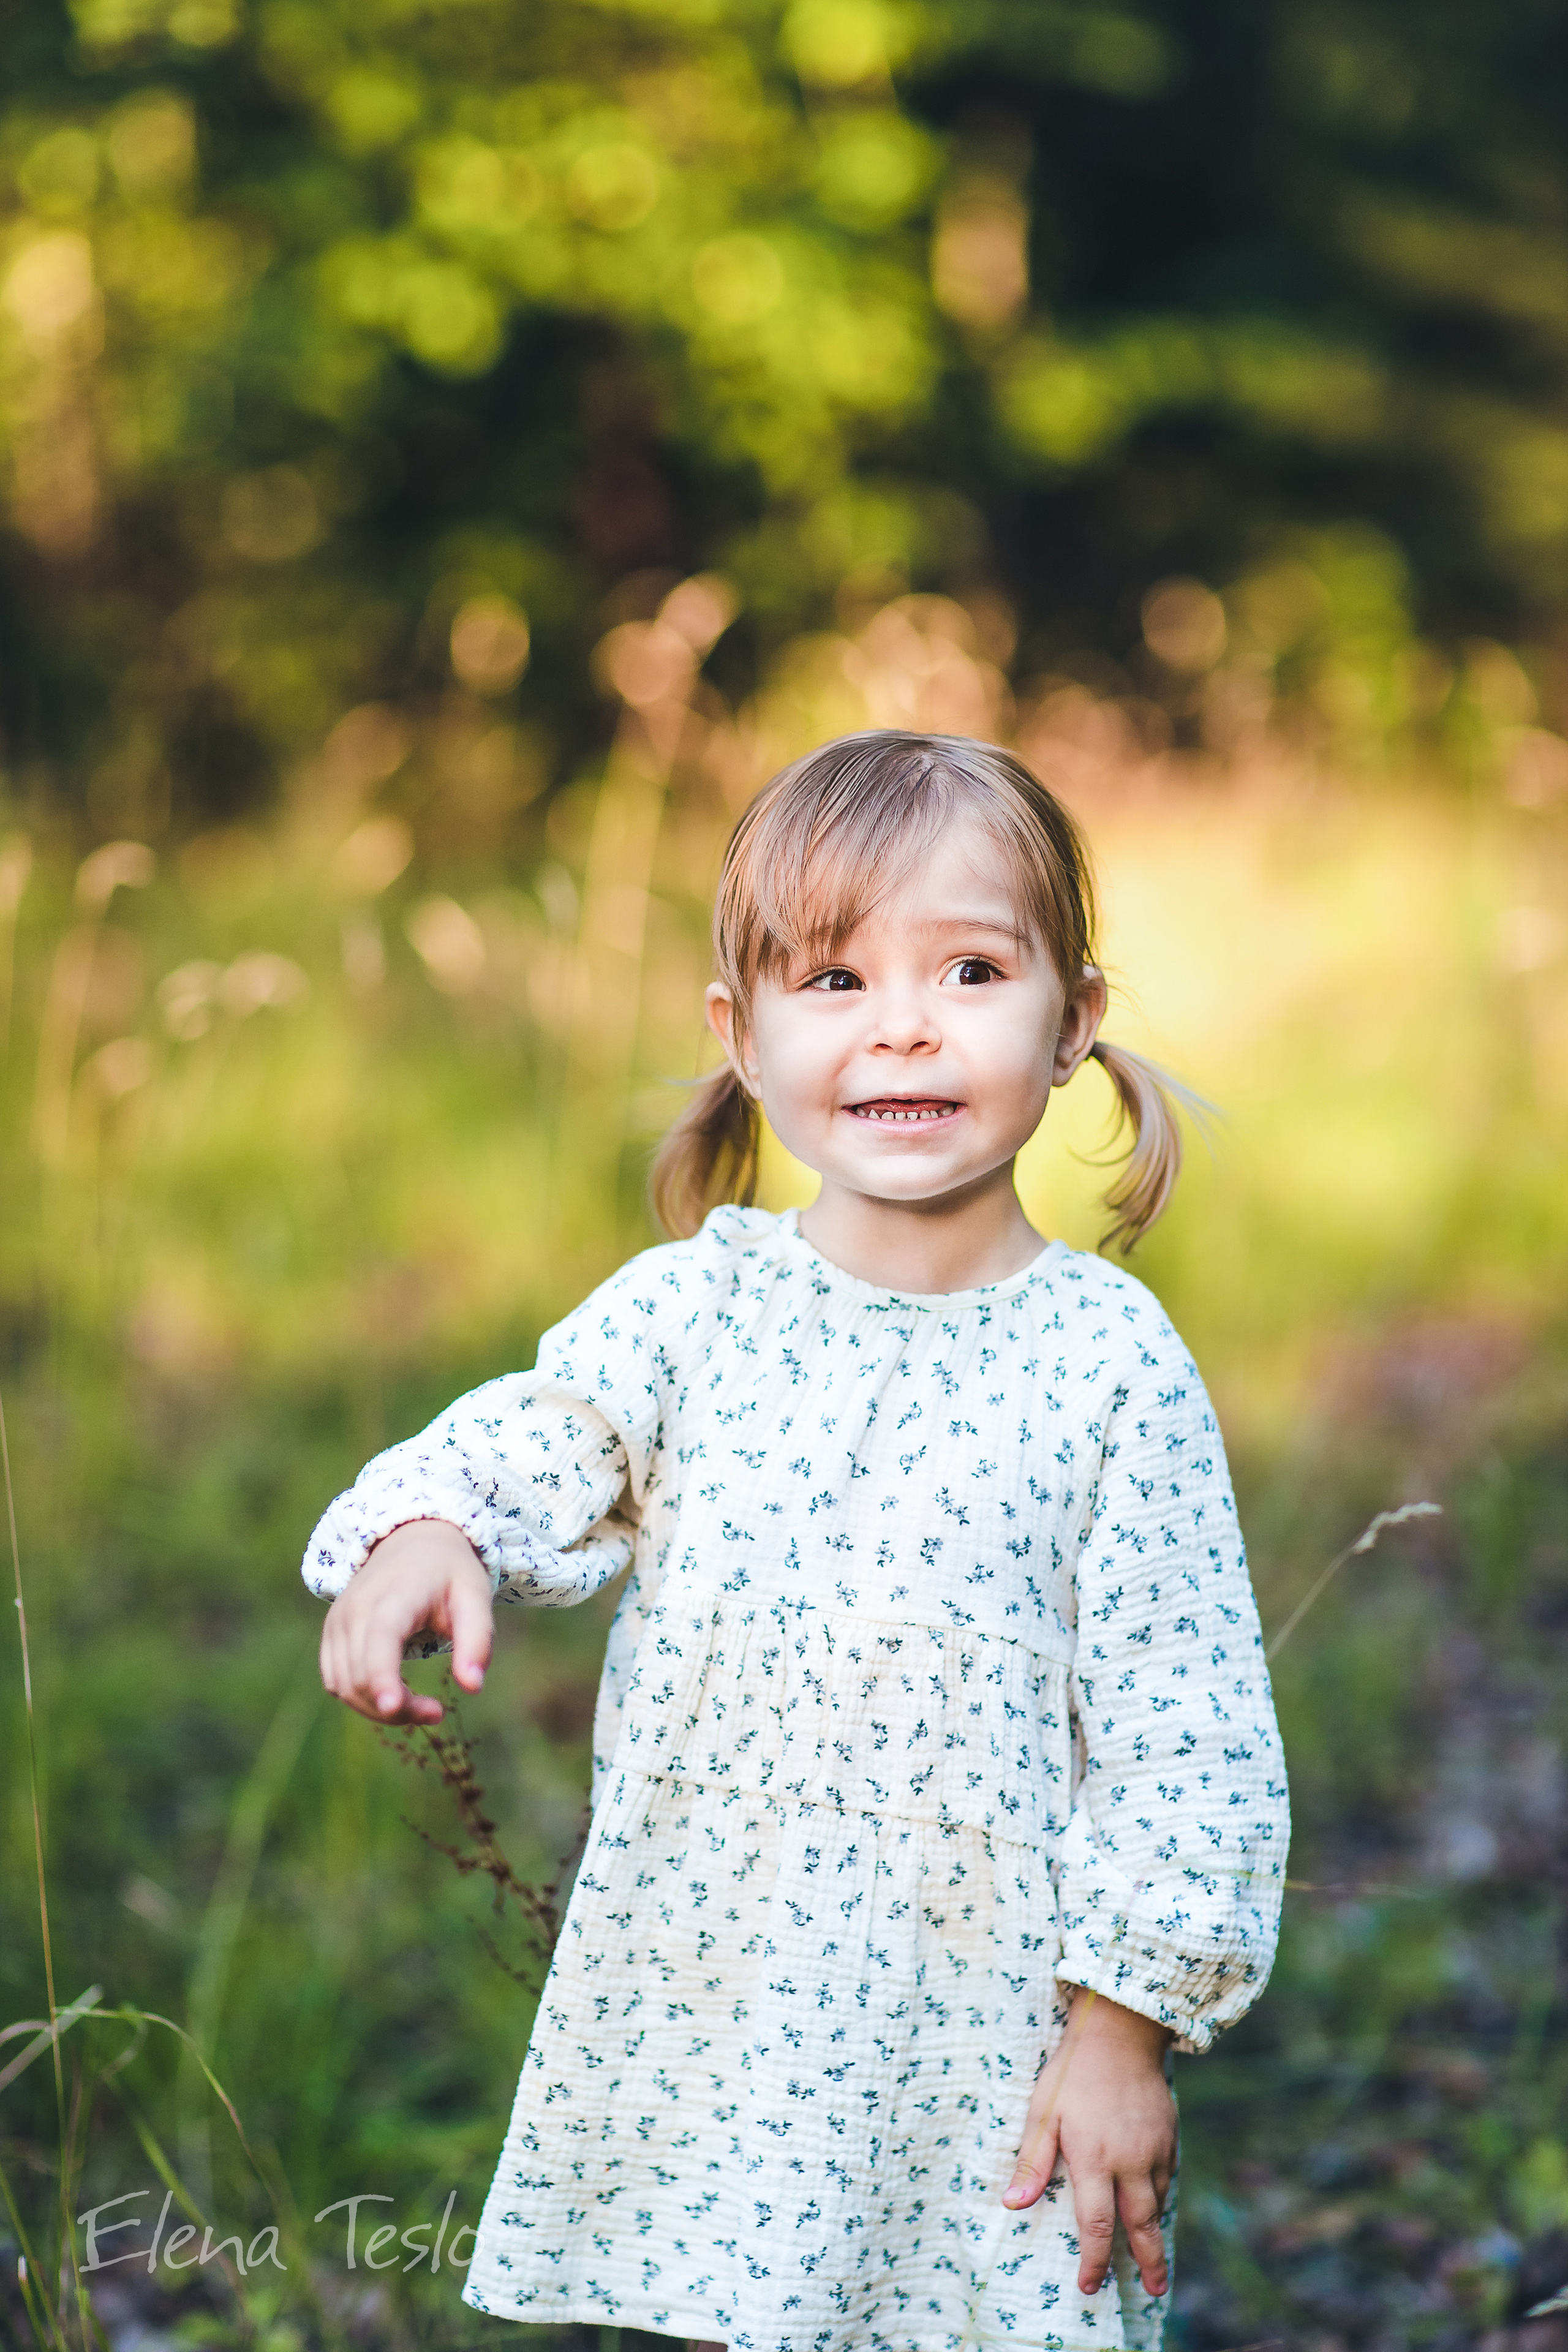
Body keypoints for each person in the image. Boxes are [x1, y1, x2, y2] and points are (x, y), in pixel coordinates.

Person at [305, 730, 1289, 2352]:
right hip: (722, 2008)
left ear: (1072, 1024)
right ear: (742, 1036)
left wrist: (1123, 2031)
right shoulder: (701, 1307)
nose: (903, 1022)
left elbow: (1188, 1725)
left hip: (986, 2041)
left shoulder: (1111, 1367)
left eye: (971, 969)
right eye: (834, 980)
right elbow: (549, 1433)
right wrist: (434, 1522)